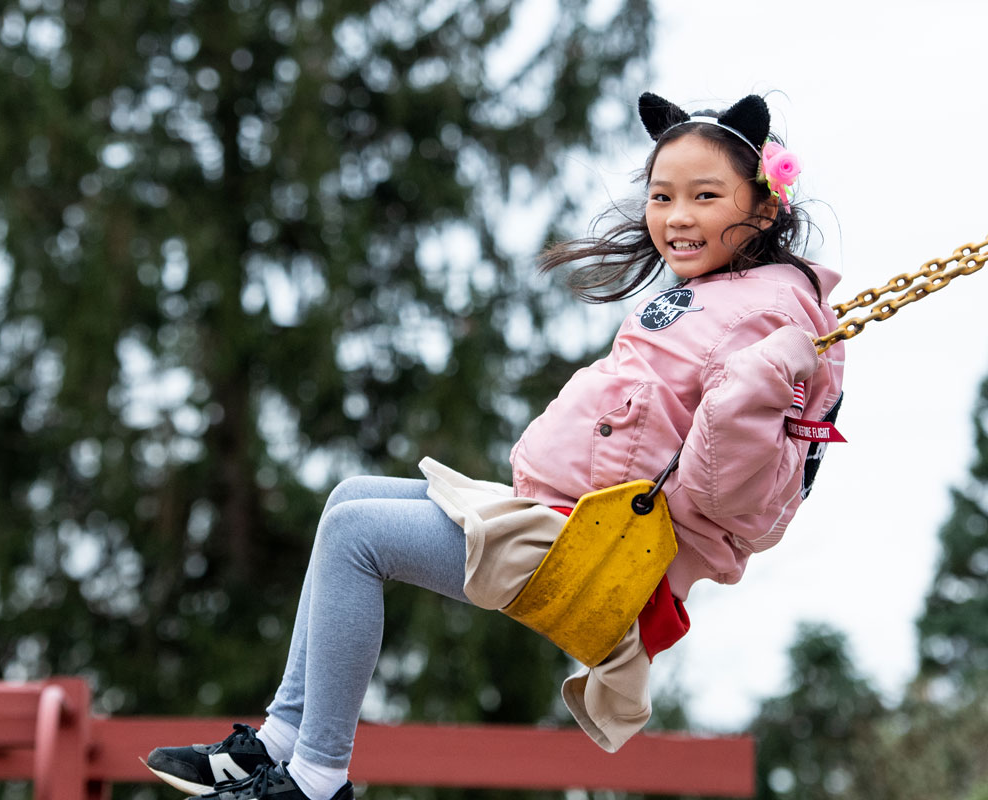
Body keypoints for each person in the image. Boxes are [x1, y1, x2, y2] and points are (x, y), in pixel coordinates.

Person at [142, 92, 846, 800]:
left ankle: (317, 778)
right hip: (566, 518)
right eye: (662, 195)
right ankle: (277, 744)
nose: (677, 216)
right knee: (349, 500)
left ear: (761, 209)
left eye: (705, 195)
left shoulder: (766, 318)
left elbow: (736, 489)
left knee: (360, 536)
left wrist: (761, 379)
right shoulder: (727, 295)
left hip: (609, 556)